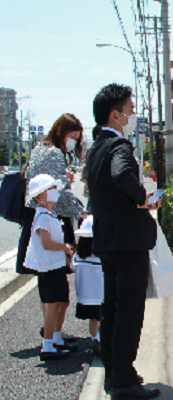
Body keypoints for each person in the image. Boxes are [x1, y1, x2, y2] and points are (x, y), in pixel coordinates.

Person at [87, 83, 161, 399]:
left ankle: (115, 373)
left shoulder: (94, 149)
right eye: (129, 111)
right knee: (129, 312)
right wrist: (142, 197)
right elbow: (121, 176)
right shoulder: (119, 147)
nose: (132, 115)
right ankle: (125, 382)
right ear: (115, 115)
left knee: (111, 310)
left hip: (106, 240)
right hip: (129, 241)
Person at [18, 113, 85, 342]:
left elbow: (31, 177)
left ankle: (51, 330)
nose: (73, 142)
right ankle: (55, 333)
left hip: (35, 216)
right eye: (72, 136)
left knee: (44, 278)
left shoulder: (39, 148)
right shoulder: (55, 153)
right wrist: (80, 212)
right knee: (58, 278)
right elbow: (62, 193)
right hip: (53, 218)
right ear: (61, 132)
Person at [24, 174, 76, 361]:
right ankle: (48, 346)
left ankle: (56, 339)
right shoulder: (43, 216)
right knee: (52, 307)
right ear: (39, 196)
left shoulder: (48, 214)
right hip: (50, 268)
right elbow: (46, 243)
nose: (55, 191)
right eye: (50, 188)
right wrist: (64, 247)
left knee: (62, 302)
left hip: (55, 266)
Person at [72, 216, 103, 356]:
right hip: (102, 294)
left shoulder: (78, 256)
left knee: (93, 319)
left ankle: (94, 338)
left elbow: (72, 267)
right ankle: (102, 340)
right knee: (105, 318)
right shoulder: (101, 255)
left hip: (85, 295)